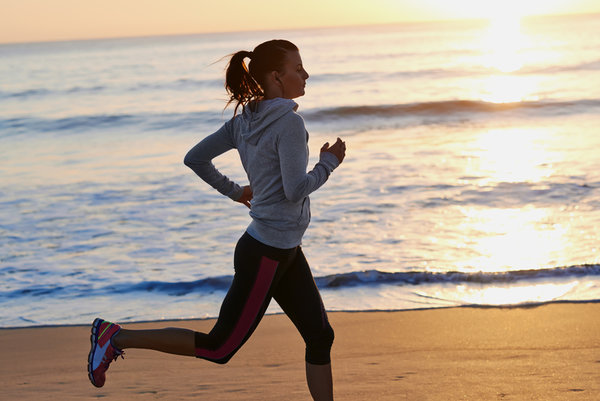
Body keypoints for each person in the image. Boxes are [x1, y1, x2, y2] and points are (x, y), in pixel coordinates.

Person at [87, 39, 346, 401]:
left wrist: (236, 191)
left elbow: (195, 158)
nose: (306, 74)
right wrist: (328, 164)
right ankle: (115, 337)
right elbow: (295, 190)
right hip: (268, 254)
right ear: (276, 76)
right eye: (298, 68)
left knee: (320, 336)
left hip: (281, 249)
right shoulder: (289, 123)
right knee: (218, 348)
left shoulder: (243, 122)